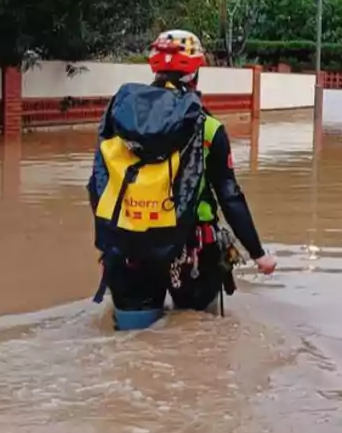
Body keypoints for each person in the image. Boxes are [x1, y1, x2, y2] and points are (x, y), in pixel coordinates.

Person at [87, 29, 276, 329]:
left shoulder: (120, 122)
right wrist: (258, 253)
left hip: (129, 247)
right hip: (194, 252)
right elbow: (229, 195)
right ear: (196, 73)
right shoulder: (209, 128)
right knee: (198, 334)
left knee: (132, 343)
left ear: (154, 68)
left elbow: (97, 185)